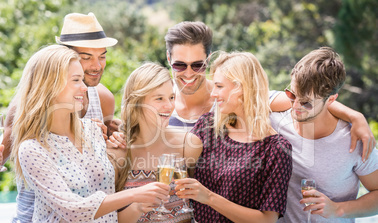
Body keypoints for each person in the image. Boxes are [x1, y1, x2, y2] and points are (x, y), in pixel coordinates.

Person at [109, 21, 376, 162]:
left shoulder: (234, 98)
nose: (188, 73)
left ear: (208, 59)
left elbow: (305, 99)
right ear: (168, 58)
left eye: (198, 65)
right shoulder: (159, 108)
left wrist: (355, 117)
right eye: (179, 64)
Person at [0, 12, 121, 223]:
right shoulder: (25, 107)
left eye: (102, 56)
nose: (97, 65)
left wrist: (119, 140)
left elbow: (105, 168)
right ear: (65, 56)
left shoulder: (104, 98)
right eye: (86, 57)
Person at [10, 44, 169, 223]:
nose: (84, 88)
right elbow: (74, 210)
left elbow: (102, 189)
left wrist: (121, 153)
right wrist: (136, 195)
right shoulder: (33, 148)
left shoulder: (94, 131)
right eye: (76, 80)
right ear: (49, 86)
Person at [174, 51, 293, 223]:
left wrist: (208, 197)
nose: (213, 94)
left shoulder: (276, 148)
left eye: (219, 86)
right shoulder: (208, 127)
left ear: (241, 88)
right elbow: (178, 163)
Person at [270, 47, 378, 223]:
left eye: (306, 102)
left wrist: (338, 209)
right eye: (292, 95)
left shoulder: (354, 141)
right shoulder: (277, 120)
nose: (295, 107)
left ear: (332, 99)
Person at [109, 62, 202, 223]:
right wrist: (138, 206)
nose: (168, 106)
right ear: (137, 102)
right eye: (159, 99)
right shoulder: (118, 151)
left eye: (171, 97)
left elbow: (203, 204)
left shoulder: (188, 144)